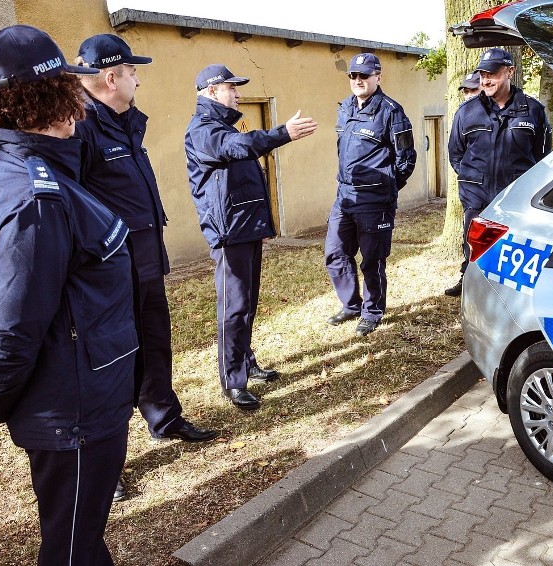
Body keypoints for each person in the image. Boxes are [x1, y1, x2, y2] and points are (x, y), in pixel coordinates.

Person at [0, 25, 137, 564]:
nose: (83, 105)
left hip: (80, 393)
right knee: (72, 548)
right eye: (72, 90)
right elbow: (11, 324)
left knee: (80, 537)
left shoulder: (28, 171)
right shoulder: (35, 198)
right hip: (74, 408)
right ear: (56, 103)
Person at [73, 34, 217, 501]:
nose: (138, 77)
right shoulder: (81, 129)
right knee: (112, 361)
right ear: (111, 77)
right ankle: (105, 460)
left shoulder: (124, 123)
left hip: (145, 256)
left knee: (155, 340)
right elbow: (76, 206)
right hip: (110, 266)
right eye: (133, 70)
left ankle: (164, 418)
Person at [185, 64, 317, 410]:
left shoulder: (221, 126)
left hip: (246, 228)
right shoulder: (203, 130)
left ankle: (246, 361)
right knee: (234, 307)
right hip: (229, 233)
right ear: (211, 92)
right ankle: (233, 380)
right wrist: (282, 133)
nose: (238, 92)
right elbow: (238, 148)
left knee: (247, 304)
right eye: (231, 87)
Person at [444, 48, 552, 297]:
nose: (486, 80)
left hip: (516, 198)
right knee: (474, 247)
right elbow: (456, 154)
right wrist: (473, 178)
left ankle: (511, 295)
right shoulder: (467, 112)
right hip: (478, 197)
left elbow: (543, 157)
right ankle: (470, 285)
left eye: (492, 73)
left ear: (510, 72)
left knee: (514, 250)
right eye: (482, 74)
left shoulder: (533, 111)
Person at [324, 53, 417, 336]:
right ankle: (352, 304)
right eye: (353, 75)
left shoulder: (392, 112)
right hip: (345, 196)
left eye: (364, 75)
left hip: (375, 201)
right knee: (335, 252)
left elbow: (406, 158)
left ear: (378, 77)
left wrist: (386, 187)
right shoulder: (345, 108)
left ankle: (372, 311)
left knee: (372, 260)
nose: (358, 80)